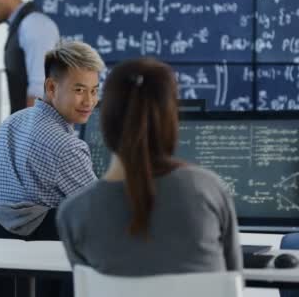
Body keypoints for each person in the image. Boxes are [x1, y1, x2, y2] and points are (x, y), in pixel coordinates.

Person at [57, 58, 242, 275]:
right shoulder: (208, 190)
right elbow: (233, 280)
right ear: (171, 120)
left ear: (105, 120)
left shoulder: (73, 213)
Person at [0, 40, 104, 236]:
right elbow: (100, 213)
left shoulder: (8, 125)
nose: (89, 101)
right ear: (51, 88)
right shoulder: (67, 147)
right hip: (50, 260)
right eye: (79, 90)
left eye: (94, 90)